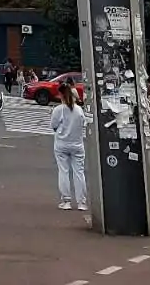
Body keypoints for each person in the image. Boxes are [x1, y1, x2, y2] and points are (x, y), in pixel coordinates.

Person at [51, 83, 89, 214]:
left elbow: (53, 125)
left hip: (61, 143)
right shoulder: (79, 110)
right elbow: (83, 124)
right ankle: (81, 202)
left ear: (60, 95)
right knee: (79, 173)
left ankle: (66, 201)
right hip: (77, 144)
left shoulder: (58, 110)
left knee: (64, 171)